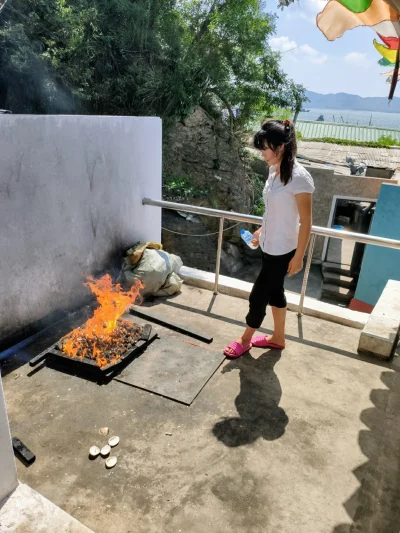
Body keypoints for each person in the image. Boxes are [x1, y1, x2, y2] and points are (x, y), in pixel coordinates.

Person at [224, 119, 314, 358]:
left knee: (258, 295)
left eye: (264, 147)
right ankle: (278, 338)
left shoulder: (299, 177)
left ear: (280, 146)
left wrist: (299, 257)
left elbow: (306, 222)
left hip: (284, 249)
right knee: (275, 292)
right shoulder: (274, 172)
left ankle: (245, 339)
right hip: (269, 245)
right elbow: (273, 212)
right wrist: (260, 231)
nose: (261, 153)